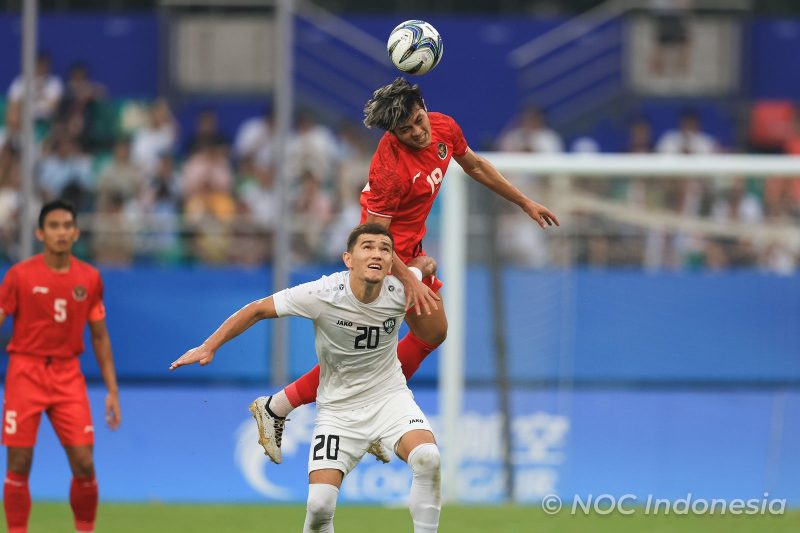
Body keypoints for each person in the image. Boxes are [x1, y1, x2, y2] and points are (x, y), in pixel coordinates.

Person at [255, 77, 560, 464]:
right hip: (379, 263)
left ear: (424, 108)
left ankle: (278, 407)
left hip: (411, 254)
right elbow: (376, 238)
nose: (418, 132)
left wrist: (524, 202)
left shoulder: (445, 126)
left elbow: (477, 166)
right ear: (394, 135)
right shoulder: (389, 165)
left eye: (418, 121)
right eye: (406, 130)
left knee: (433, 332)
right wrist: (408, 278)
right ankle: (337, 415)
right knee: (367, 361)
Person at [170, 224, 442, 533]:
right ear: (348, 259)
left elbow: (425, 264)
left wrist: (426, 272)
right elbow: (258, 309)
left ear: (393, 261)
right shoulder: (323, 293)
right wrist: (209, 345)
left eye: (384, 248)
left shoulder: (401, 290)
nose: (376, 254)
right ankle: (277, 408)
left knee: (428, 458)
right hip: (337, 411)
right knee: (319, 507)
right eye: (367, 247)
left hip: (390, 399)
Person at [0, 199, 122, 533]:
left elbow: (99, 337)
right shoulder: (19, 276)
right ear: (41, 233)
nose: (61, 232)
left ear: (76, 232)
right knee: (19, 462)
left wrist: (112, 389)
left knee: (84, 463)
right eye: (54, 226)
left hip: (67, 374)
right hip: (25, 371)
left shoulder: (89, 278)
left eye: (67, 225)